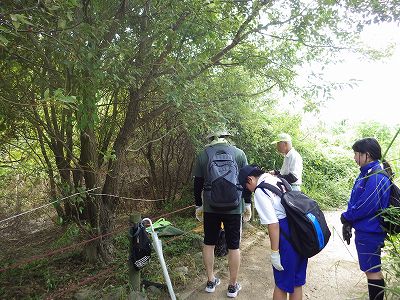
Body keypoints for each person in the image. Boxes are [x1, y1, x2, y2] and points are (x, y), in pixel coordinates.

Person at [193, 130, 252, 298]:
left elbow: (197, 183)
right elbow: (247, 180)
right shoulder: (239, 154)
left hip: (211, 207)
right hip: (234, 207)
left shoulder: (203, 155)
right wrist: (247, 203)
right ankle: (232, 287)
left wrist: (199, 205)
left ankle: (211, 281)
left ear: (210, 138)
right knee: (234, 246)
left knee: (209, 243)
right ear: (227, 138)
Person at [238, 164, 308, 300]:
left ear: (250, 179)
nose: (249, 190)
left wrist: (275, 252)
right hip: (299, 231)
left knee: (281, 284)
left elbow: (273, 224)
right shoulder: (275, 179)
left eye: (247, 187)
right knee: (296, 283)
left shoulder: (260, 190)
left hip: (286, 236)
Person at [341, 137, 392, 300]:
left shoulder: (376, 177)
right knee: (370, 270)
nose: (354, 158)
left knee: (372, 271)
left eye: (356, 154)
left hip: (371, 232)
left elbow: (366, 205)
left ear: (367, 155)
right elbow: (356, 200)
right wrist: (349, 221)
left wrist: (346, 217)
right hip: (366, 231)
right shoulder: (367, 173)